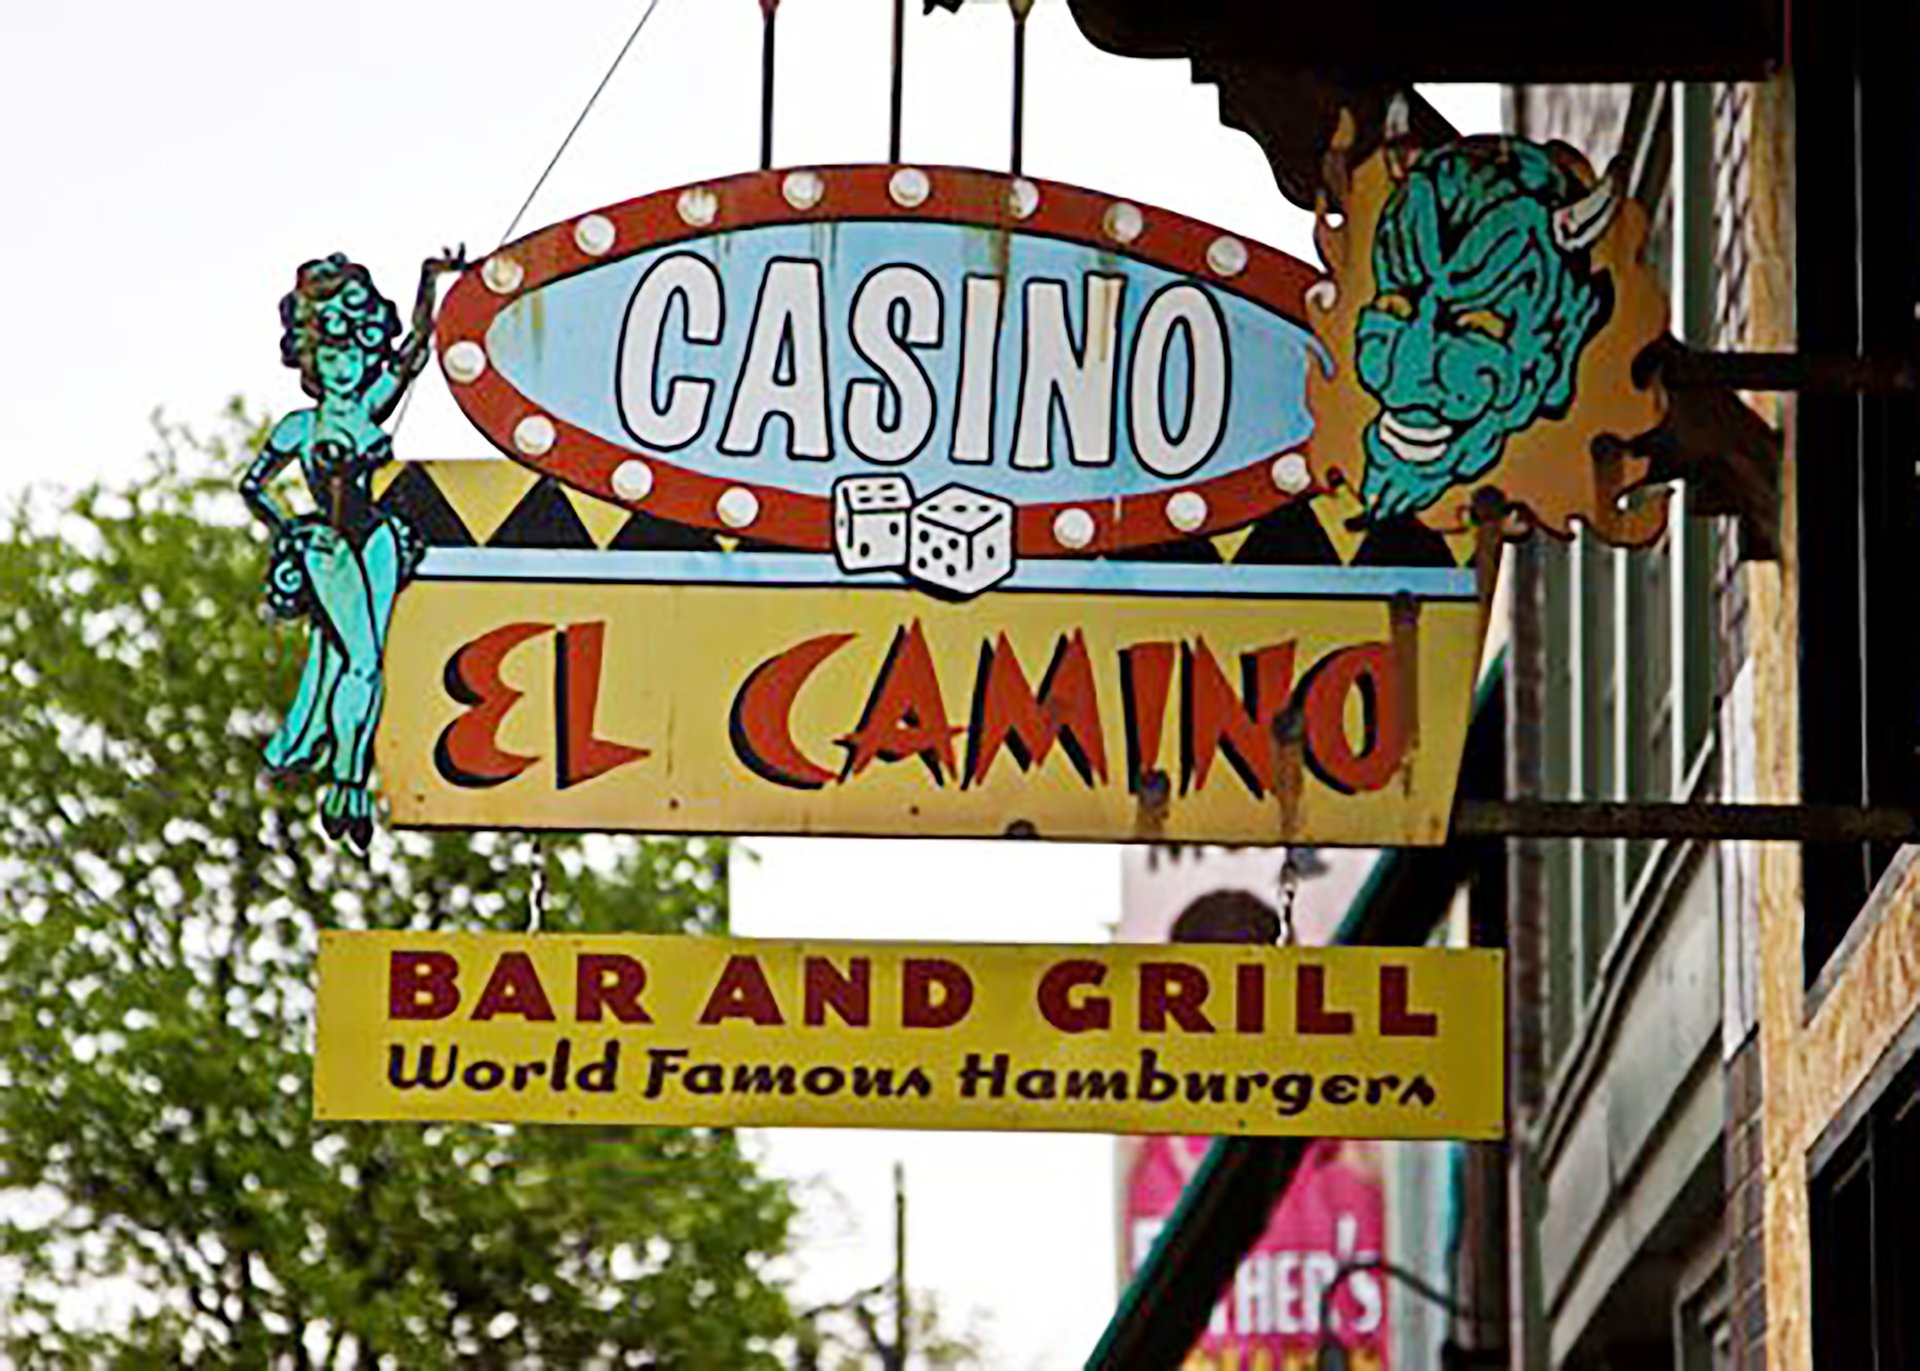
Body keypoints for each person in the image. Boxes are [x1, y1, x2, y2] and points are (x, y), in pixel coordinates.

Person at [242, 249, 464, 849]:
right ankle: (346, 780)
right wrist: (287, 529)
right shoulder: (299, 426)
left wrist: (428, 280)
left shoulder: (369, 406)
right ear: (313, 359)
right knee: (361, 656)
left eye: (354, 354)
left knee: (360, 657)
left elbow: (416, 349)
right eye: (331, 355)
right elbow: (252, 485)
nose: (344, 366)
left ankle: (349, 776)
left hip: (381, 537)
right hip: (327, 547)